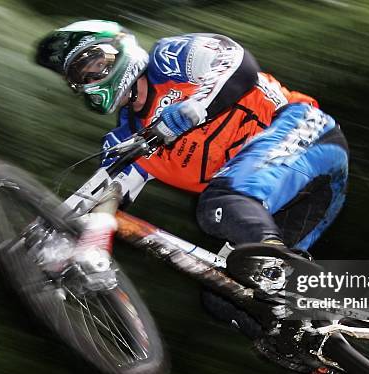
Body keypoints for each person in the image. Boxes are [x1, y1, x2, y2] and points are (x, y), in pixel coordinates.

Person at [35, 20, 348, 293]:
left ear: (120, 48)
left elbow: (240, 64)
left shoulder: (168, 59)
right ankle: (331, 346)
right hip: (280, 201)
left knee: (219, 204)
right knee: (230, 296)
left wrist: (191, 110)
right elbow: (99, 193)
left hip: (307, 134)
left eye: (93, 63)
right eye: (80, 78)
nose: (90, 79)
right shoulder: (130, 139)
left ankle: (276, 264)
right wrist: (52, 238)